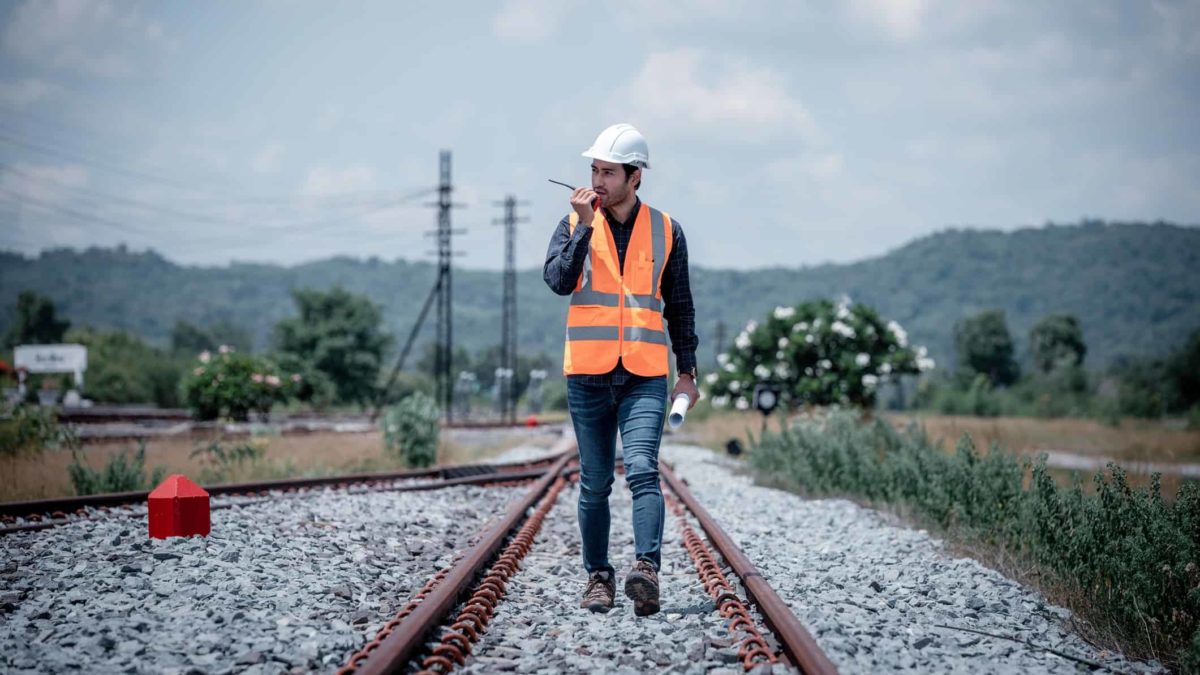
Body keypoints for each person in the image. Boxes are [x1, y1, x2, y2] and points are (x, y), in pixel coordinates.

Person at [542, 123, 699, 616]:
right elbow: (559, 281)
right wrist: (585, 226)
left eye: (609, 172)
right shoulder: (573, 225)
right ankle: (599, 578)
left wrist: (688, 371)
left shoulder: (667, 230)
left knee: (643, 471)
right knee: (594, 483)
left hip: (644, 375)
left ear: (635, 177)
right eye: (594, 170)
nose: (597, 180)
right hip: (587, 374)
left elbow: (680, 306)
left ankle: (646, 570)